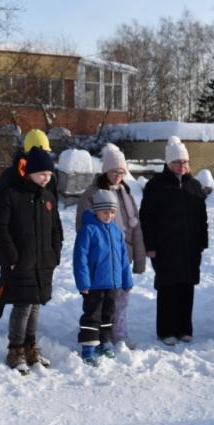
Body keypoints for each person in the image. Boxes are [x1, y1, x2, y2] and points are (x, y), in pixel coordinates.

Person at [0, 147, 63, 374]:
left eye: (50, 175)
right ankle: (15, 349)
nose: (46, 178)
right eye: (42, 174)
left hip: (42, 263)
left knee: (35, 305)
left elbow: (56, 230)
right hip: (20, 262)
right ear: (28, 171)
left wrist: (54, 254)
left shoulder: (47, 198)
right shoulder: (10, 193)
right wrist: (11, 256)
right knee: (22, 306)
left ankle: (31, 347)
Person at [0, 129, 58, 332]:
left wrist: (52, 251)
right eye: (41, 149)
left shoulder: (47, 174)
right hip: (18, 244)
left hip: (38, 243)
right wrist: (12, 254)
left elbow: (52, 209)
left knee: (31, 296)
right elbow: (2, 219)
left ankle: (27, 339)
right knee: (7, 283)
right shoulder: (14, 176)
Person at [139, 136, 208, 346]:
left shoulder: (194, 185)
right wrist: (150, 246)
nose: (182, 166)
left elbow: (202, 218)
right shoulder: (156, 186)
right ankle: (166, 330)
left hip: (190, 248)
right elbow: (146, 218)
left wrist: (202, 242)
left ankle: (184, 328)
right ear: (168, 163)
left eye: (185, 162)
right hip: (165, 248)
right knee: (168, 289)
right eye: (177, 162)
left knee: (186, 288)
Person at [75, 144, 146, 350]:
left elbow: (136, 227)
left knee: (120, 301)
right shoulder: (93, 194)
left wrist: (139, 259)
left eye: (122, 172)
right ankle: (96, 338)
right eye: (114, 171)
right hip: (100, 261)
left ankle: (118, 335)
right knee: (98, 305)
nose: (118, 175)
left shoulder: (126, 193)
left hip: (123, 255)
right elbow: (85, 228)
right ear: (105, 171)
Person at [73, 190, 133, 366]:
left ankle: (103, 342)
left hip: (113, 283)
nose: (109, 216)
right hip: (94, 284)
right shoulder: (88, 230)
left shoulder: (116, 230)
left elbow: (123, 258)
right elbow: (80, 259)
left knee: (108, 314)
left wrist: (126, 279)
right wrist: (83, 282)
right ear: (96, 210)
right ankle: (88, 348)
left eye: (112, 212)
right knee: (93, 315)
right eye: (105, 212)